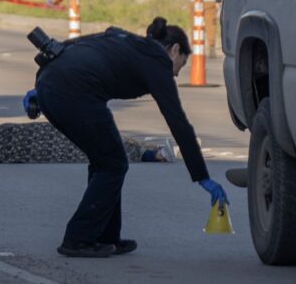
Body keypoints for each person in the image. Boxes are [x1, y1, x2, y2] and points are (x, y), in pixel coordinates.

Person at [25, 17, 228, 258]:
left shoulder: (123, 38)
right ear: (174, 50)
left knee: (106, 162)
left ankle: (105, 237)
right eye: (181, 66)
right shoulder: (157, 62)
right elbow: (178, 122)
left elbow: (72, 46)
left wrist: (40, 87)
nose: (175, 76)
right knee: (113, 164)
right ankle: (78, 239)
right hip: (73, 92)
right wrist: (202, 177)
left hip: (53, 85)